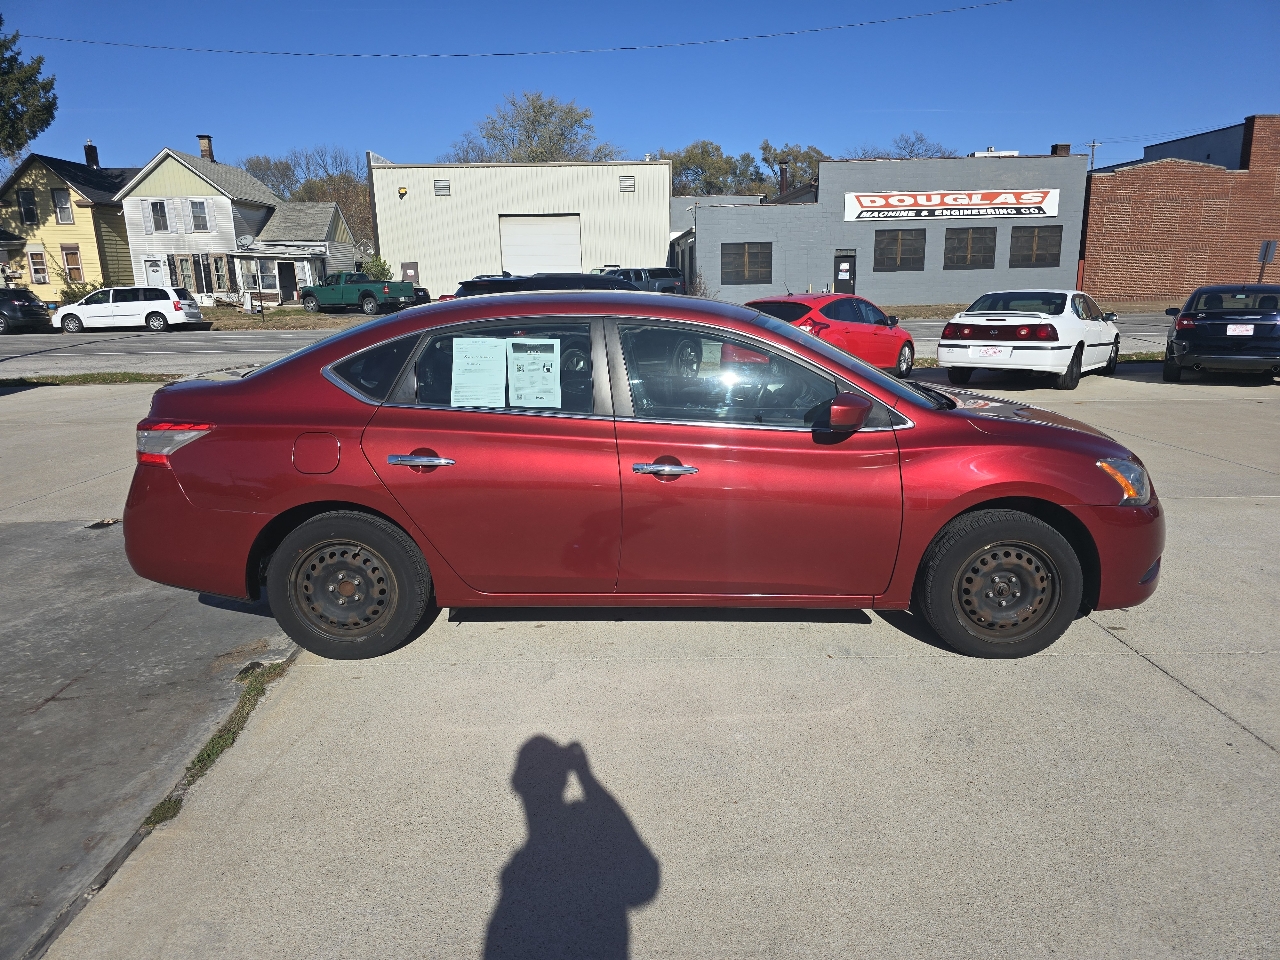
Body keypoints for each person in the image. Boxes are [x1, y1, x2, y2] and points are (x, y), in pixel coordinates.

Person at [484, 737, 660, 960]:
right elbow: (644, 880)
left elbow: (644, 880)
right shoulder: (591, 843)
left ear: (517, 785)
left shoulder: (523, 876)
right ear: (564, 780)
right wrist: (587, 779)